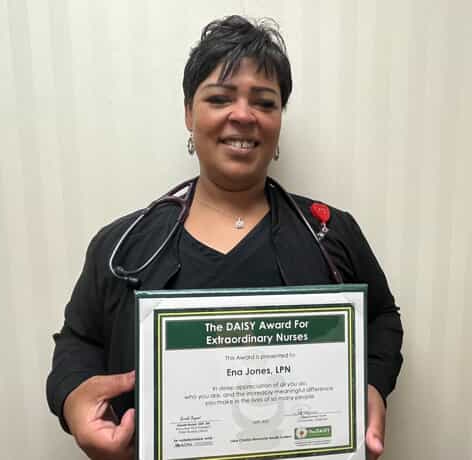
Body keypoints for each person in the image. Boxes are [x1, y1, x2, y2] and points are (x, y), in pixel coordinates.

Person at [46, 15, 403, 460]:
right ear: (188, 115)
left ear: (277, 124)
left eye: (265, 103)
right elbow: (79, 341)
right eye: (219, 98)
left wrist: (372, 385)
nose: (244, 115)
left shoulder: (331, 231)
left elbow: (383, 317)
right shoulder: (123, 244)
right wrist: (71, 397)